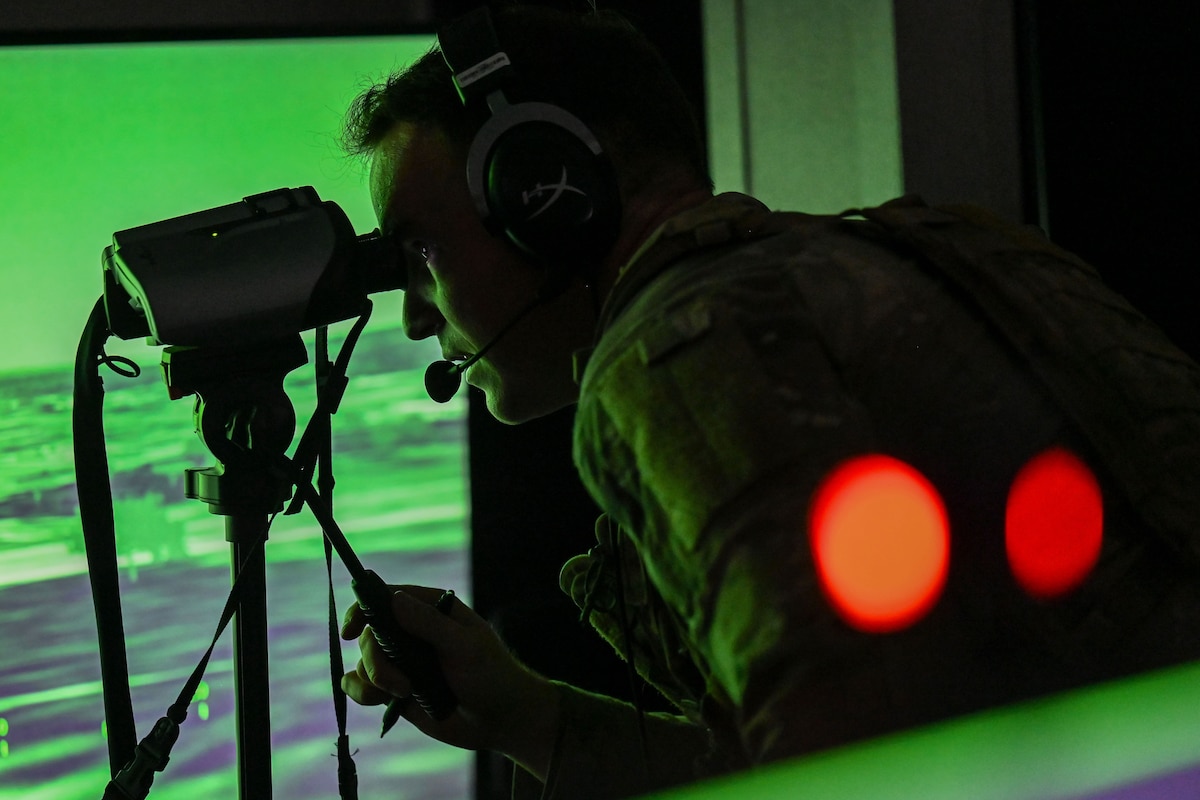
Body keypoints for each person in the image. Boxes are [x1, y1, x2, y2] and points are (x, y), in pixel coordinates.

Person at [338, 6, 1200, 799]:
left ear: (542, 193)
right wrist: (534, 718)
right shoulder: (908, 259)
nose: (415, 317)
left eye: (423, 253)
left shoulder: (678, 351)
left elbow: (852, 775)